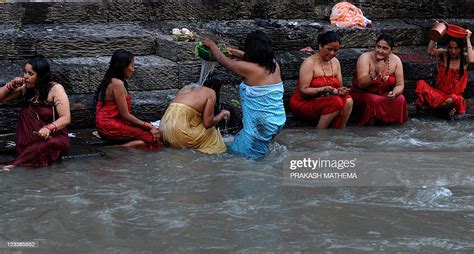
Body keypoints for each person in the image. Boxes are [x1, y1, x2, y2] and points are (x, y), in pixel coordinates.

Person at [203, 30, 286, 160]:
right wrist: (236, 52)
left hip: (261, 122)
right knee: (244, 146)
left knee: (245, 157)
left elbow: (222, 60)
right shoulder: (273, 64)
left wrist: (212, 45)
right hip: (277, 120)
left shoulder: (247, 68)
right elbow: (255, 60)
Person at [0, 56, 70, 171]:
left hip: (54, 138)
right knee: (26, 110)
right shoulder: (26, 89)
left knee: (46, 144)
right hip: (29, 139)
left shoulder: (55, 89)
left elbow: (66, 118)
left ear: (41, 75)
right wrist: (11, 85)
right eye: (25, 72)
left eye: (30, 74)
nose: (25, 77)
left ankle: (15, 165)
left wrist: (48, 128)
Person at [94, 49, 162, 149]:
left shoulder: (114, 81)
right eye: (132, 66)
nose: (133, 70)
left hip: (107, 125)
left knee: (153, 137)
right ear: (123, 67)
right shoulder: (117, 84)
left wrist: (146, 126)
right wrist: (149, 126)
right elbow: (125, 115)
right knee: (153, 139)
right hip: (109, 127)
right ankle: (117, 149)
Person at [289, 31, 352, 128]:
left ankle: (339, 129)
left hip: (327, 99)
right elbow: (303, 91)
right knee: (335, 102)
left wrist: (341, 90)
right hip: (304, 102)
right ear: (320, 46)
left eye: (335, 50)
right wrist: (323, 89)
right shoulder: (309, 63)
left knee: (348, 100)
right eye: (329, 49)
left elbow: (339, 86)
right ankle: (320, 134)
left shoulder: (335, 62)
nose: (332, 53)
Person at [415, 24, 473, 118]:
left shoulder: (465, 58)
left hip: (453, 98)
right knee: (421, 84)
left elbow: (472, 60)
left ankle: (434, 107)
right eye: (450, 48)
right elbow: (430, 51)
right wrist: (435, 33)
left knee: (454, 99)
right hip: (438, 95)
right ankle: (445, 108)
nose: (453, 51)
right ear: (447, 47)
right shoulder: (444, 54)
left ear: (461, 48)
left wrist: (468, 39)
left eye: (456, 48)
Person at [159, 77, 230, 154]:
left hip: (163, 132)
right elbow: (208, 123)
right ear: (214, 87)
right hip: (180, 136)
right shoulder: (210, 92)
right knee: (212, 129)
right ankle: (213, 154)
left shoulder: (187, 88)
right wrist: (222, 114)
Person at [350, 34, 408, 125]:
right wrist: (375, 74)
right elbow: (361, 84)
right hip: (364, 93)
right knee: (374, 100)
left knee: (400, 99)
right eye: (378, 47)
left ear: (391, 51)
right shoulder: (365, 58)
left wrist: (394, 93)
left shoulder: (396, 60)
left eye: (385, 48)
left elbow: (400, 84)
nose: (380, 51)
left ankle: (393, 130)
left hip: (385, 94)